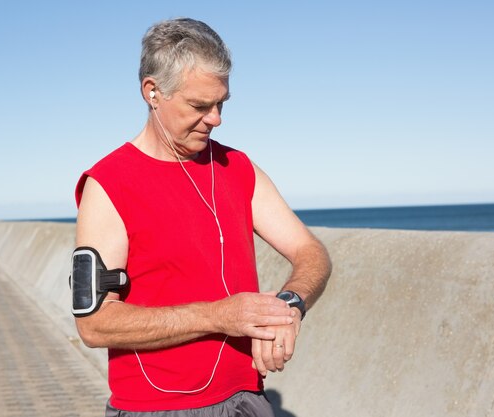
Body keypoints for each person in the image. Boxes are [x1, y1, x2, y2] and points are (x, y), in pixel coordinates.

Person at [73, 17, 331, 417]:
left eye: (221, 103)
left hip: (248, 400)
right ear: (152, 92)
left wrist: (288, 305)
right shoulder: (108, 184)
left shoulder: (237, 166)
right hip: (156, 408)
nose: (216, 119)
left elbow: (309, 250)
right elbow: (94, 325)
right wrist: (220, 315)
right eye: (199, 105)